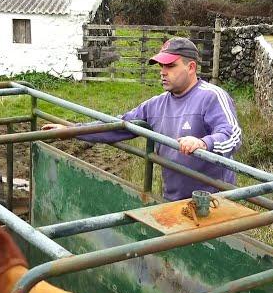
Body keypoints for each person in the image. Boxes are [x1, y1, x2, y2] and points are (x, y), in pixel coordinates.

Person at [43, 37, 242, 202]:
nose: (163, 72)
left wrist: (203, 143)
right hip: (174, 199)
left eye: (170, 66)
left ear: (191, 67)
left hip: (214, 200)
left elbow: (232, 135)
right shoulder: (156, 104)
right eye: (161, 66)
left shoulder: (211, 96)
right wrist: (71, 130)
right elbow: (120, 125)